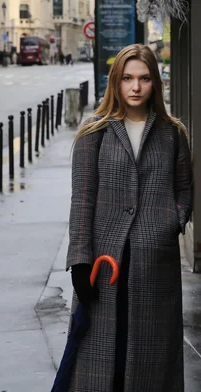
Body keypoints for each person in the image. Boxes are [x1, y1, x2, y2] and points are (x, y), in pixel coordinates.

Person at [66, 43, 193, 392]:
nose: (135, 87)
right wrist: (79, 260)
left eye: (144, 78)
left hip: (155, 265)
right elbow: (82, 200)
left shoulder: (172, 133)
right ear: (116, 83)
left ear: (156, 84)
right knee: (104, 355)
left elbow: (185, 190)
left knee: (152, 360)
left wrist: (170, 224)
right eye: (127, 79)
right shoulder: (96, 131)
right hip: (103, 265)